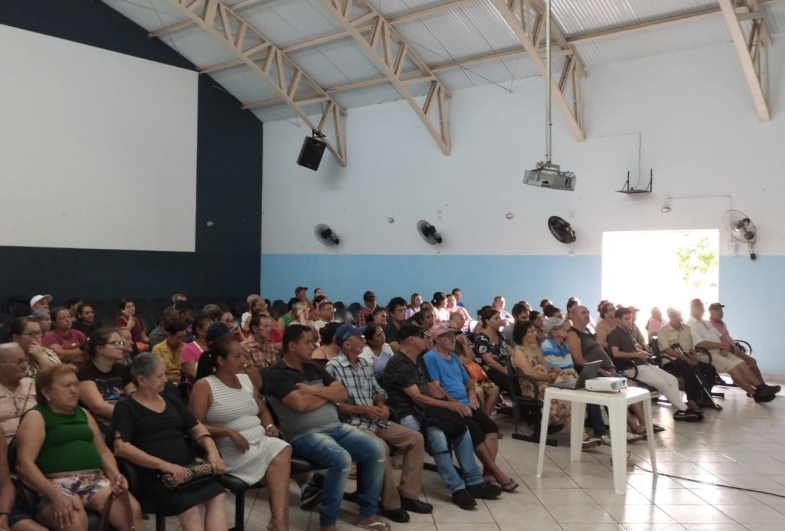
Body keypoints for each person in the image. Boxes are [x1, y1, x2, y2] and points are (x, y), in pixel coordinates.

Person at [265, 325, 390, 531]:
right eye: (307, 342)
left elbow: (341, 394)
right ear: (292, 346)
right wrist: (326, 394)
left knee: (376, 449)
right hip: (304, 434)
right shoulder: (277, 374)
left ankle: (368, 514)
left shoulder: (313, 367)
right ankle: (328, 523)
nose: (313, 346)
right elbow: (300, 405)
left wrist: (312, 390)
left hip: (336, 427)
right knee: (341, 459)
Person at [383, 324, 501, 510]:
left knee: (461, 426)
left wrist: (455, 405)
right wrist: (451, 405)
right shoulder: (399, 362)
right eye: (423, 335)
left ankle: (474, 481)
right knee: (438, 436)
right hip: (408, 413)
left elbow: (432, 387)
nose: (427, 338)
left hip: (426, 409)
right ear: (412, 339)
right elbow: (417, 396)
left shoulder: (419, 359)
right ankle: (457, 488)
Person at [16, 365, 144, 531]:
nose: (74, 390)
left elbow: (103, 450)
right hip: (55, 485)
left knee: (132, 510)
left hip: (94, 480)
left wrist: (114, 473)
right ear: (46, 392)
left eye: (76, 385)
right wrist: (55, 496)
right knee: (74, 521)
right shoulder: (36, 416)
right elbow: (24, 465)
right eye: (66, 385)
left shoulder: (83, 413)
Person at [326, 324, 433, 523]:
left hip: (374, 419)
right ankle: (390, 503)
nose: (363, 340)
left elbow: (379, 392)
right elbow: (333, 405)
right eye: (359, 337)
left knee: (415, 438)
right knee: (380, 448)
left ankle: (408, 494)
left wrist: (381, 405)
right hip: (351, 424)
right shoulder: (333, 367)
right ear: (347, 344)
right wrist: (362, 409)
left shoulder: (365, 364)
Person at [110, 354, 228, 531]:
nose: (165, 379)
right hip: (155, 477)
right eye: (159, 376)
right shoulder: (126, 407)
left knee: (218, 495)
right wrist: (164, 465)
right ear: (142, 380)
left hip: (187, 471)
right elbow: (121, 447)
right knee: (191, 510)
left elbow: (197, 428)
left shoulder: (171, 400)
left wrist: (213, 453)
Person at [190, 338, 292, 531]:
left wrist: (269, 425)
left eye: (243, 355)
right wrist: (227, 431)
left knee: (283, 448)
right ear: (221, 361)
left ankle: (279, 521)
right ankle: (280, 523)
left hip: (259, 440)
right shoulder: (205, 385)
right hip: (230, 448)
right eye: (237, 356)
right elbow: (194, 424)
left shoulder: (245, 379)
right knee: (278, 467)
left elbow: (262, 411)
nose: (243, 360)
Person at [424, 324, 518, 492]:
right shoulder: (430, 357)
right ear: (437, 339)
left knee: (491, 428)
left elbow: (468, 381)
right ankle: (498, 473)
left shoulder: (453, 357)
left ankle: (488, 474)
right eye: (449, 336)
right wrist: (456, 404)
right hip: (451, 406)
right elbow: (436, 388)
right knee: (474, 431)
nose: (454, 339)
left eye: (454, 335)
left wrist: (472, 393)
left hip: (465, 403)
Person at [566, 306, 653, 440]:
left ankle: (644, 424)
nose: (587, 315)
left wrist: (610, 367)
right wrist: (602, 370)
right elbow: (579, 360)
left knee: (630, 385)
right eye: (583, 313)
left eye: (588, 312)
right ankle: (629, 427)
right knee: (617, 389)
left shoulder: (588, 331)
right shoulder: (573, 334)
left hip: (605, 370)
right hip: (590, 373)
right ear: (574, 316)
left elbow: (600, 351)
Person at [512, 321, 600, 447]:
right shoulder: (518, 351)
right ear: (523, 335)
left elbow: (545, 365)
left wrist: (552, 372)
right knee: (561, 397)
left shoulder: (535, 347)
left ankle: (580, 431)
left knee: (569, 390)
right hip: (532, 386)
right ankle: (580, 435)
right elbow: (528, 372)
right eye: (531, 331)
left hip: (545, 381)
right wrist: (548, 378)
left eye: (534, 331)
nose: (534, 333)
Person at [608, 308, 702, 421]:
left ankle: (679, 410)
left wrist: (642, 352)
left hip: (641, 363)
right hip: (630, 367)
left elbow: (633, 348)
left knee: (671, 379)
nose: (630, 321)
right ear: (618, 319)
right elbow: (616, 353)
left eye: (630, 318)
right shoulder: (614, 333)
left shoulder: (628, 331)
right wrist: (637, 354)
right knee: (661, 383)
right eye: (626, 319)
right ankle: (684, 409)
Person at [685, 301, 779, 401]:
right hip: (707, 355)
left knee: (741, 364)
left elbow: (720, 335)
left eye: (703, 307)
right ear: (693, 309)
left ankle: (761, 388)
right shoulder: (690, 325)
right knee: (734, 368)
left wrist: (724, 347)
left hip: (720, 351)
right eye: (700, 308)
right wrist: (721, 345)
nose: (703, 310)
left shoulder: (705, 323)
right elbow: (700, 344)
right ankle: (755, 394)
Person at [539, 317, 606, 445]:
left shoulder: (563, 344)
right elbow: (557, 369)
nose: (565, 328)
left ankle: (592, 430)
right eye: (561, 327)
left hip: (569, 375)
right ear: (554, 332)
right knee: (577, 396)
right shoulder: (546, 346)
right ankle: (583, 433)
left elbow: (568, 365)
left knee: (591, 391)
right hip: (560, 379)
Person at [656, 309, 721, 409]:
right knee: (689, 370)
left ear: (679, 318)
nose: (672, 319)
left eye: (674, 317)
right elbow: (667, 350)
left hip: (687, 358)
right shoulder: (663, 330)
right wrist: (684, 358)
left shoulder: (686, 329)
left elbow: (691, 347)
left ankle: (705, 397)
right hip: (671, 361)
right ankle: (692, 400)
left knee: (710, 369)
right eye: (670, 317)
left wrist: (694, 357)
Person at [77, 329, 132, 431]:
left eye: (121, 343)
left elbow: (135, 397)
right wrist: (131, 415)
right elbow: (98, 407)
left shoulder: (122, 369)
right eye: (115, 343)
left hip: (124, 420)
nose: (121, 347)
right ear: (100, 349)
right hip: (97, 426)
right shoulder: (85, 370)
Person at [708, 302, 767, 383]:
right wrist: (728, 347)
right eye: (718, 311)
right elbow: (717, 340)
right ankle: (759, 387)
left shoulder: (721, 323)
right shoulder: (710, 325)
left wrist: (736, 344)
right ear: (711, 312)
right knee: (747, 364)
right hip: (728, 351)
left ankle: (762, 386)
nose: (721, 312)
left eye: (721, 310)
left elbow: (727, 336)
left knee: (752, 362)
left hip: (734, 349)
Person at [0, 343, 37, 442]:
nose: (24, 366)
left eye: (25, 360)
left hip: (36, 442)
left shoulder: (33, 384)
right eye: (18, 362)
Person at [473, 308, 511, 390]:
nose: (499, 320)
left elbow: (510, 351)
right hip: (490, 371)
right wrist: (509, 373)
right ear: (487, 321)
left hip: (506, 367)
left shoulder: (501, 335)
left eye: (500, 318)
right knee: (513, 383)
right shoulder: (482, 339)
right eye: (496, 318)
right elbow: (490, 362)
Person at [182, 315, 211, 382]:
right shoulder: (187, 349)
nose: (212, 331)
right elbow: (193, 374)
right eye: (209, 329)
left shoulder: (215, 345)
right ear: (199, 330)